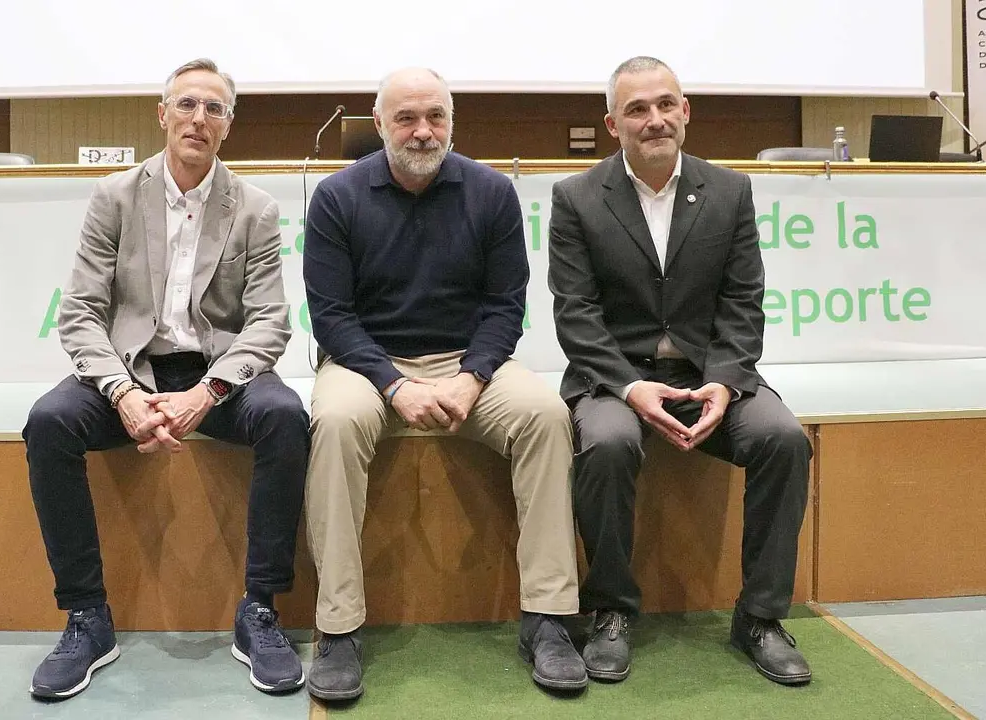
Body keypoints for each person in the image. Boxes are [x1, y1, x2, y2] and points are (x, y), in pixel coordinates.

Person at [23, 58, 308, 699]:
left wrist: (207, 393)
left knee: (287, 418)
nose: (198, 119)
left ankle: (259, 609)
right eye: (187, 104)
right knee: (48, 422)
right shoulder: (115, 197)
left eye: (214, 109)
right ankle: (86, 617)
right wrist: (123, 393)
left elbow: (269, 323)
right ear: (162, 114)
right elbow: (82, 314)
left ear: (228, 125)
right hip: (130, 367)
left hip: (219, 373)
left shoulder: (255, 209)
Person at [302, 67, 586, 700]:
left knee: (545, 414)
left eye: (435, 117)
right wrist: (393, 385)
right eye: (406, 118)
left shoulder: (491, 193)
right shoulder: (336, 197)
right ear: (379, 126)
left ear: (453, 124)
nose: (422, 131)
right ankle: (339, 628)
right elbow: (332, 316)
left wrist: (471, 378)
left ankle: (548, 617)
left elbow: (504, 305)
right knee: (337, 422)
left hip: (466, 363)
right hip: (366, 364)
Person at [547, 56, 813, 686]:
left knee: (783, 438)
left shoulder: (730, 190)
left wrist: (724, 381)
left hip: (710, 376)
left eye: (667, 104)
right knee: (607, 442)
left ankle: (760, 617)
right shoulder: (576, 198)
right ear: (613, 124)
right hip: (618, 377)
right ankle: (611, 609)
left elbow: (744, 302)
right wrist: (634, 388)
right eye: (637, 109)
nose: (655, 119)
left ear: (686, 111)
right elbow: (577, 315)